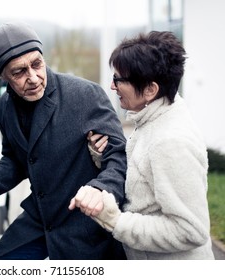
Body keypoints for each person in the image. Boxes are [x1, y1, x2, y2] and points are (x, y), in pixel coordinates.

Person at [0, 21, 127, 260]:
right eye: (19, 72)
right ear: (4, 76)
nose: (34, 77)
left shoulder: (85, 95)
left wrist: (101, 189)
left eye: (37, 64)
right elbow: (15, 160)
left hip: (86, 224)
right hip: (39, 220)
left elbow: (119, 156)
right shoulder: (4, 108)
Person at [74, 31, 215, 260]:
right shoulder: (153, 117)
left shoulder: (171, 142)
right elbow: (147, 178)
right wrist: (102, 156)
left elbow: (191, 230)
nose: (112, 86)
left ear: (150, 90)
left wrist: (116, 221)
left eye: (119, 79)